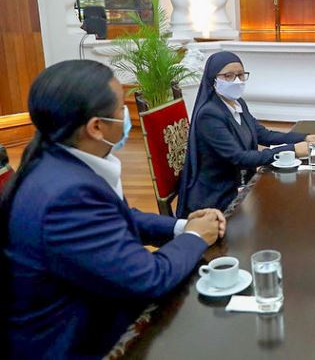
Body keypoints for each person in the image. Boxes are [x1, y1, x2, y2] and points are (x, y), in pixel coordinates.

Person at [1, 60, 224, 359]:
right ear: (96, 127)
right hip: (79, 343)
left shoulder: (57, 158)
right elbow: (150, 278)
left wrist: (181, 226)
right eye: (121, 109)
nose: (128, 115)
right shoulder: (66, 196)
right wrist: (195, 237)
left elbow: (118, 216)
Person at [176, 51, 315, 217]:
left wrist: (303, 137)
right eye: (228, 76)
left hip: (239, 184)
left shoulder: (237, 103)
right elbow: (239, 158)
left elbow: (263, 134)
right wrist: (292, 150)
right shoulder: (209, 115)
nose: (237, 81)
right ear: (213, 80)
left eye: (240, 75)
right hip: (217, 197)